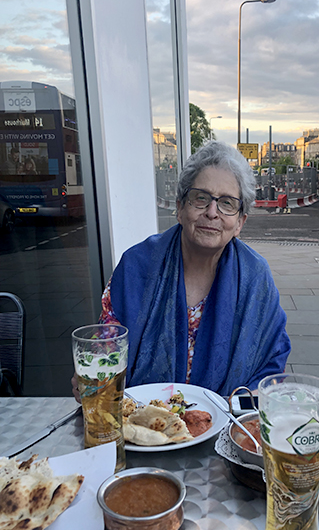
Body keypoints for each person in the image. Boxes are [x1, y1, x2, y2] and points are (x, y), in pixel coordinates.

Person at [72, 141, 291, 402]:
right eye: (201, 198)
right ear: (179, 208)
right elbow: (108, 343)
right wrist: (95, 376)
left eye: (227, 203)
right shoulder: (137, 265)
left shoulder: (255, 277)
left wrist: (245, 403)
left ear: (239, 223)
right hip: (144, 425)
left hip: (227, 426)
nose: (212, 213)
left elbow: (272, 360)